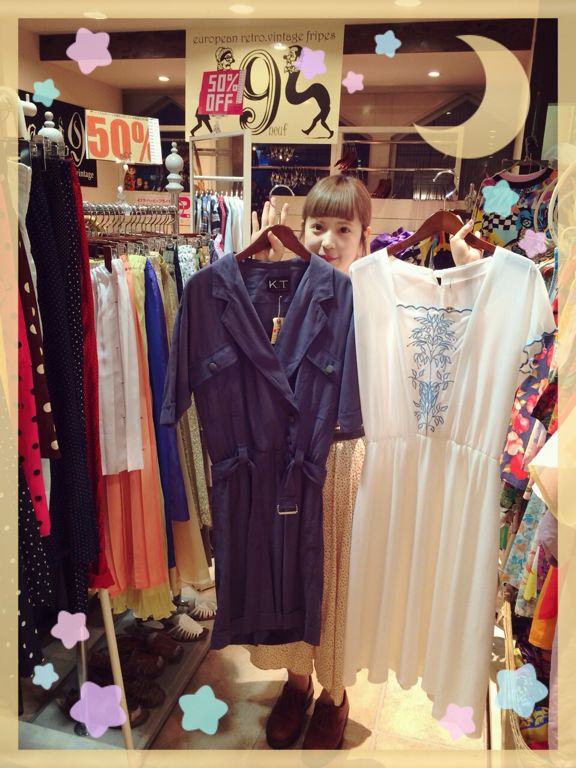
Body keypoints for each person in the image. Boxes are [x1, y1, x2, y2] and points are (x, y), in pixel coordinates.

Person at [247, 174, 371, 750]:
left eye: (344, 228)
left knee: (336, 583)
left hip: (345, 456)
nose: (328, 240)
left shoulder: (375, 300)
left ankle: (334, 695)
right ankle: (296, 684)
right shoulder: (280, 291)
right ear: (300, 230)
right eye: (318, 226)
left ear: (365, 236)